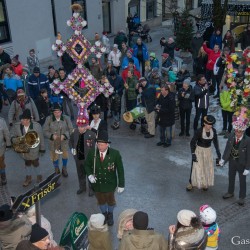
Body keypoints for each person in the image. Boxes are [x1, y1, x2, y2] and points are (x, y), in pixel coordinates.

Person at [85, 130, 125, 226]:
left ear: (107, 144)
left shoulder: (115, 154)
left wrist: (121, 184)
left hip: (110, 183)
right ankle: (104, 214)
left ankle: (110, 214)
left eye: (102, 145)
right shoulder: (92, 153)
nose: (100, 147)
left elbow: (120, 170)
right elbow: (86, 165)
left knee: (110, 201)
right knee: (101, 200)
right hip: (97, 183)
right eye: (98, 144)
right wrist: (90, 175)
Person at [219, 108, 250, 206]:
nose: (237, 133)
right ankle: (230, 192)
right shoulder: (232, 135)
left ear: (243, 131)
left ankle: (242, 197)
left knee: (242, 181)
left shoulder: (247, 140)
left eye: (239, 132)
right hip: (232, 161)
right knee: (231, 177)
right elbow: (228, 149)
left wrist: (248, 168)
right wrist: (223, 159)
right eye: (236, 131)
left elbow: (249, 155)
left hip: (242, 163)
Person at [11, 109, 45, 186]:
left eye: (23, 119)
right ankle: (28, 178)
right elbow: (12, 133)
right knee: (27, 163)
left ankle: (39, 176)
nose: (22, 121)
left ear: (28, 120)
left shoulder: (36, 126)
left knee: (35, 163)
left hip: (34, 150)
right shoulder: (17, 126)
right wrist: (14, 139)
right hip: (23, 150)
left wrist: (42, 149)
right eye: (22, 119)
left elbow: (41, 138)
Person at [187, 115, 221, 191]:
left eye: (211, 124)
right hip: (199, 150)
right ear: (204, 123)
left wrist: (218, 153)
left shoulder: (214, 131)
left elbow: (215, 142)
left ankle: (204, 183)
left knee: (206, 167)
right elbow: (192, 143)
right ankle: (191, 183)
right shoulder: (199, 131)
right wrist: (193, 154)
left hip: (208, 151)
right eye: (208, 124)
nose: (210, 126)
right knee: (196, 167)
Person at [43, 103, 73, 177]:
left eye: (58, 112)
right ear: (53, 112)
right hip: (53, 142)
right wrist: (51, 135)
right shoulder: (48, 119)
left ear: (61, 112)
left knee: (65, 156)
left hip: (64, 142)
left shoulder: (66, 118)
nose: (57, 114)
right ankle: (56, 168)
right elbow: (44, 131)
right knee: (54, 156)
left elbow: (71, 129)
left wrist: (65, 135)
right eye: (55, 112)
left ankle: (64, 168)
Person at [69, 116, 96, 195]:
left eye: (82, 126)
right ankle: (82, 187)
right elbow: (70, 141)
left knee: (89, 174)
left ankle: (91, 189)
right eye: (79, 126)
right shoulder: (75, 132)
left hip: (87, 159)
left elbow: (94, 148)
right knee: (80, 173)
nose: (80, 128)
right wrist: (72, 149)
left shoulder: (91, 134)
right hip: (78, 158)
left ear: (86, 126)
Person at [0, 116, 11, 185]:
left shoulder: (1, 121)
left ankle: (3, 176)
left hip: (0, 148)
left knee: (1, 163)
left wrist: (8, 144)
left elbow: (6, 133)